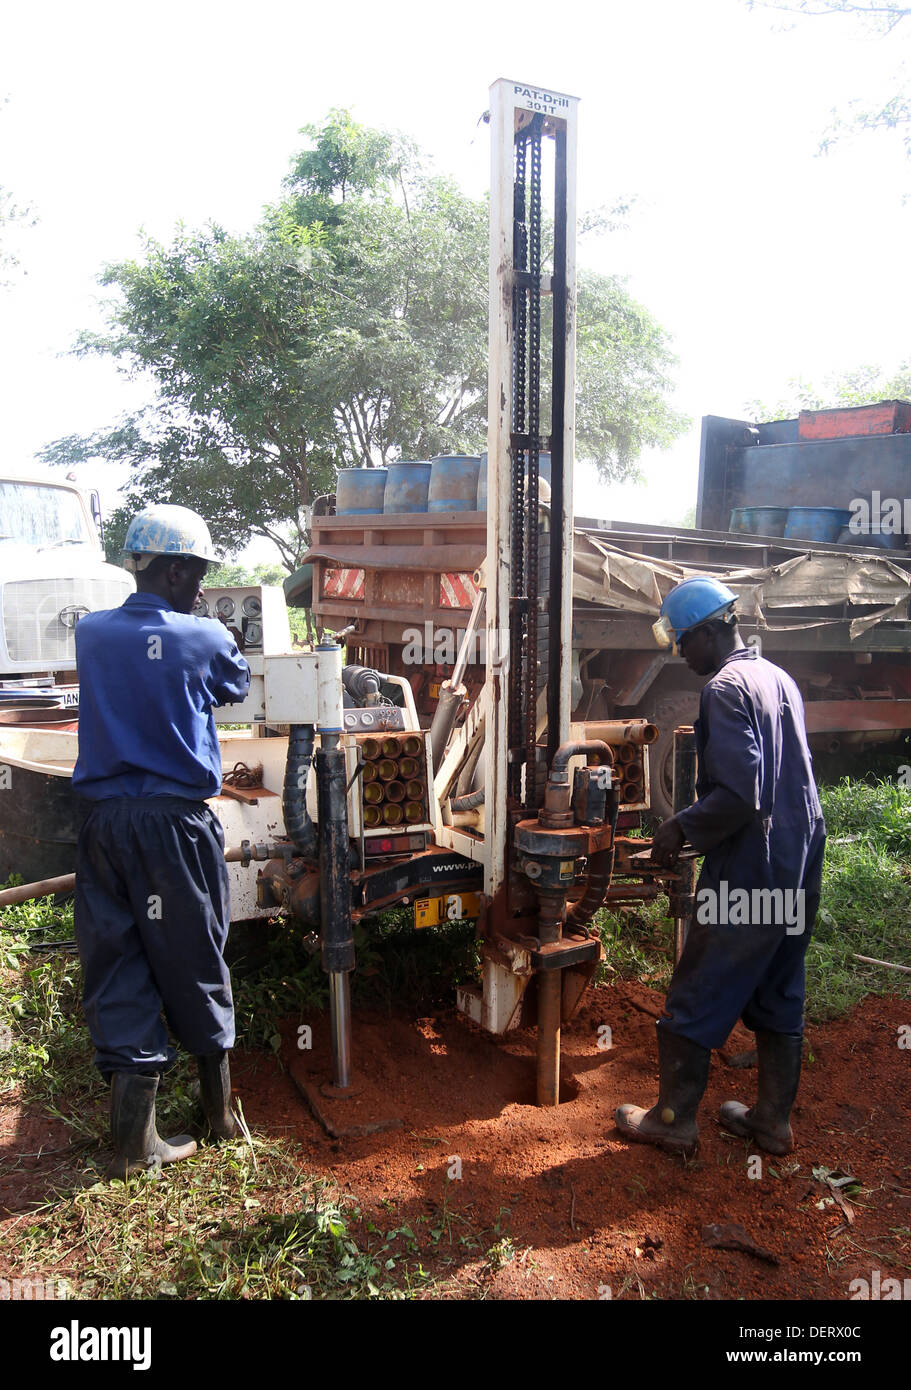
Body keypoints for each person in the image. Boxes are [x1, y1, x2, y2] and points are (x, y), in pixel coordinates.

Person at [615, 577, 826, 1158]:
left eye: (684, 642)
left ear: (710, 633)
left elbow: (740, 794)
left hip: (753, 861)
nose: (681, 654)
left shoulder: (726, 690)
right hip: (800, 851)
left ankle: (673, 1120)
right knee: (780, 977)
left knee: (701, 980)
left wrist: (680, 827)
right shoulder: (775, 677)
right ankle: (771, 1123)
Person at [72, 504, 251, 1178]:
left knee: (118, 961)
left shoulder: (91, 632)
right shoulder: (203, 636)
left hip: (101, 825)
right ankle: (221, 1115)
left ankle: (135, 1146)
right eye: (198, 574)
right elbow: (232, 688)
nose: (202, 588)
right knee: (195, 957)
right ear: (174, 568)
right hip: (172, 825)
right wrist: (216, 637)